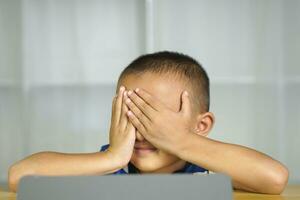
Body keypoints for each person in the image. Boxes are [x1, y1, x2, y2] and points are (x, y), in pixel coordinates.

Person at [8, 51, 289, 194]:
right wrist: (111, 158)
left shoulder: (210, 173)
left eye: (156, 119)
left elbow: (275, 179)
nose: (143, 131)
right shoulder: (109, 167)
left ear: (200, 126)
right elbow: (20, 177)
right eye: (132, 115)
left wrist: (181, 141)